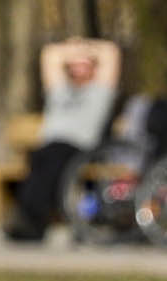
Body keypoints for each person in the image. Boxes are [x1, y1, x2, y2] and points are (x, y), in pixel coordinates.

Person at [9, 38, 121, 240]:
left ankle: (33, 221)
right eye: (74, 65)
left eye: (85, 64)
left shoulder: (100, 92)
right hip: (49, 147)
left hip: (79, 148)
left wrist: (84, 50)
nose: (79, 68)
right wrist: (76, 50)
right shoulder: (60, 91)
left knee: (52, 161)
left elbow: (110, 53)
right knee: (41, 160)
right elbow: (50, 54)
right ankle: (30, 219)